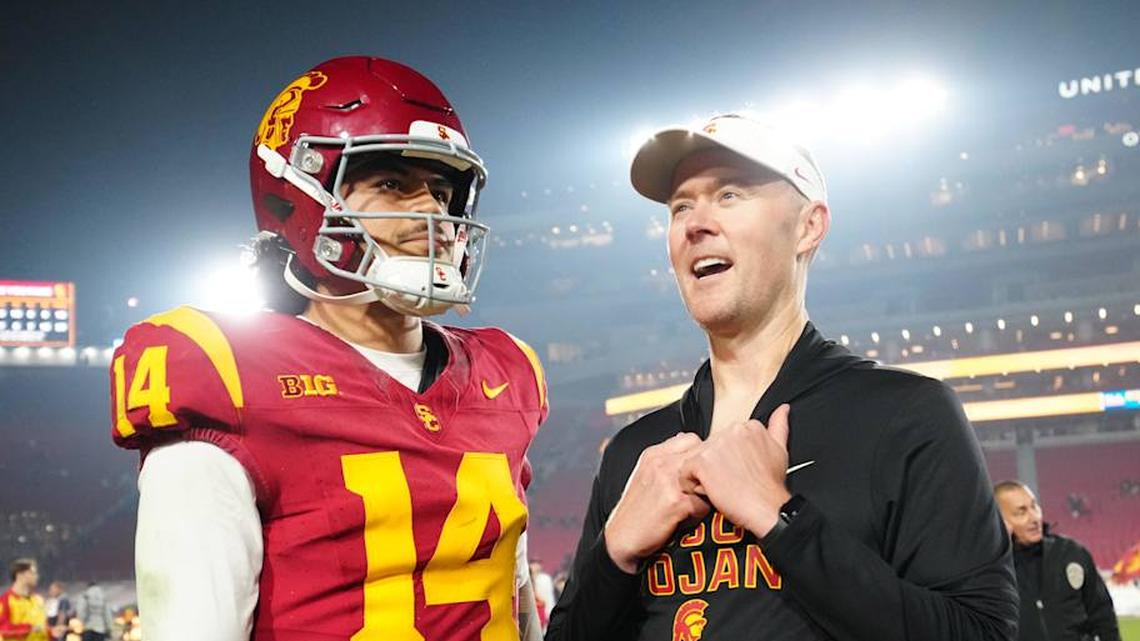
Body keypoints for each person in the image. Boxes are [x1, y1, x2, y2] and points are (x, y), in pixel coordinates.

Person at [110, 56, 547, 641]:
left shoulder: (504, 372)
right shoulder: (228, 374)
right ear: (299, 195)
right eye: (392, 184)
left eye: (442, 191)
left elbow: (516, 613)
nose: (432, 213)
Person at [547, 114, 1018, 640]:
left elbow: (982, 634)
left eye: (729, 195)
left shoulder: (905, 414)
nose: (694, 223)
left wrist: (782, 519)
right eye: (681, 205)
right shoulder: (636, 451)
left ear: (808, 225)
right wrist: (614, 552)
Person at [994, 480, 1120, 641]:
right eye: (1021, 512)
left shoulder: (1071, 553)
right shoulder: (991, 570)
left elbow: (1103, 616)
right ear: (998, 519)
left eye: (1034, 506)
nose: (1034, 518)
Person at [0, 559, 48, 641]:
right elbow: (2, 629)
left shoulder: (39, 600)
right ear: (20, 575)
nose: (36, 576)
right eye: (32, 573)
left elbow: (43, 628)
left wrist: (52, 632)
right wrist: (28, 629)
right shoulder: (5, 601)